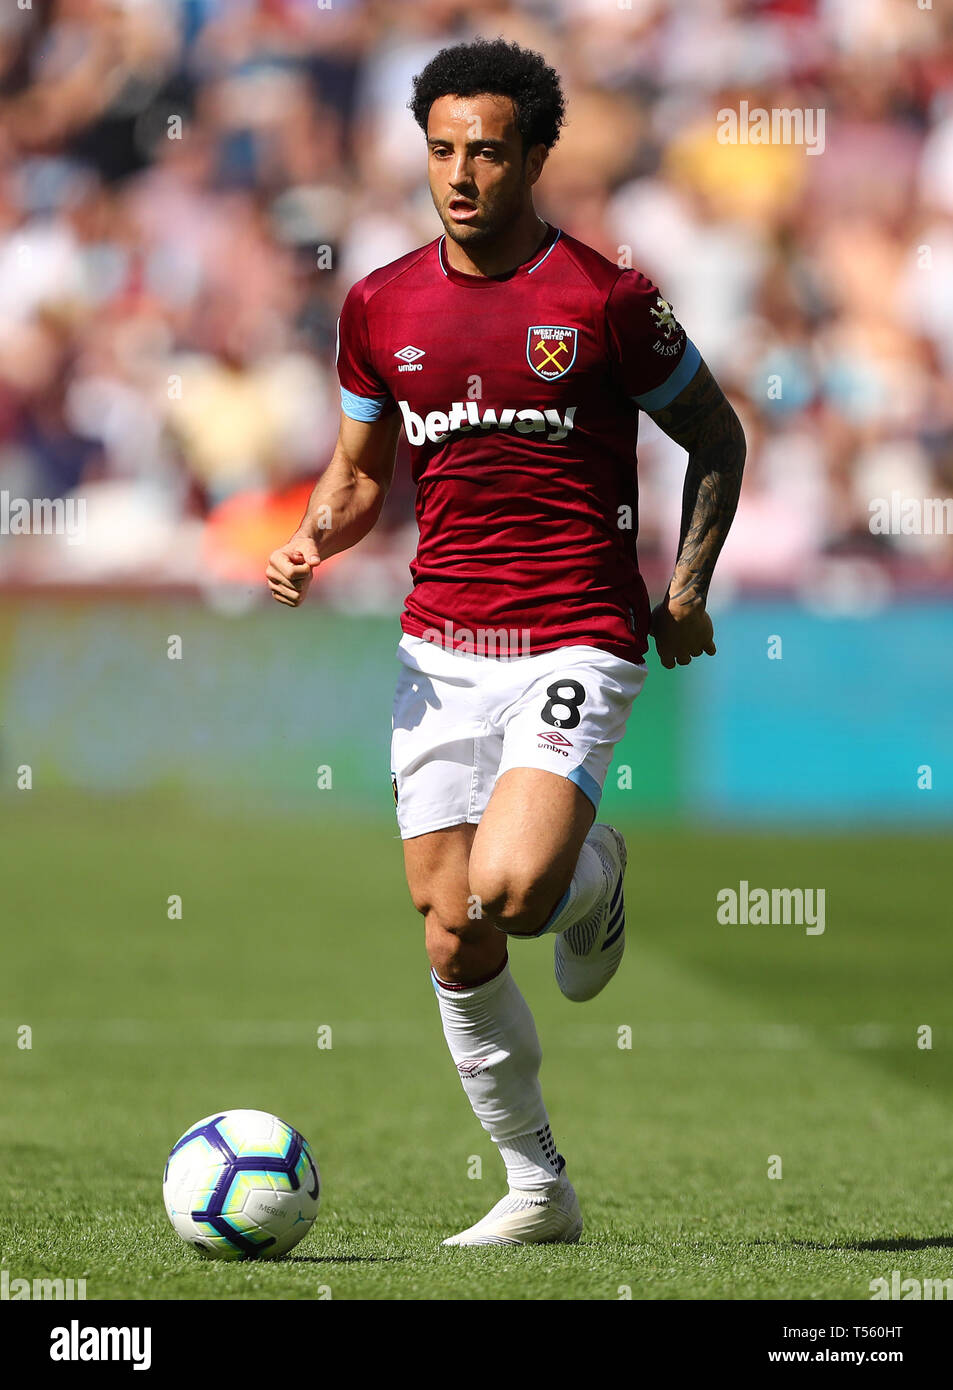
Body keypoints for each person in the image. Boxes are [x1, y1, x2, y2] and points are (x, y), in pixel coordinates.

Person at [266, 37, 745, 1246]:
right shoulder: (379, 303)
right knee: (450, 925)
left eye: (486, 151)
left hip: (575, 631)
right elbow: (360, 475)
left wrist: (683, 590)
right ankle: (537, 1186)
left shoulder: (605, 298)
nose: (461, 174)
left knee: (512, 890)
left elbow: (717, 436)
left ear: (535, 153)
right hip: (438, 645)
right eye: (440, 151)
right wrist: (312, 538)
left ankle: (592, 875)